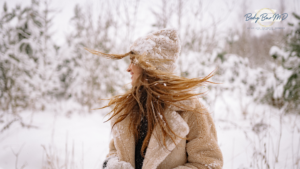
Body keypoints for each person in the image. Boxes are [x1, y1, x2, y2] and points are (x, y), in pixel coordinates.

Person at [85, 28, 223, 169]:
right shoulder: (128, 109)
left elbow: (209, 164)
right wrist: (112, 164)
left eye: (134, 61)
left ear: (152, 66)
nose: (128, 68)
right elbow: (115, 151)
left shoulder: (191, 111)